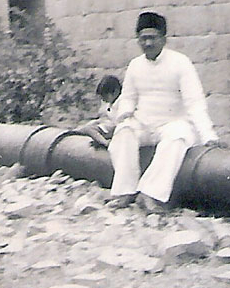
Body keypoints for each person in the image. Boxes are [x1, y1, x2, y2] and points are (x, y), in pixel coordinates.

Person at [107, 11, 220, 214]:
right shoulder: (135, 65)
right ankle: (124, 191)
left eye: (153, 38)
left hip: (172, 123)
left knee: (177, 138)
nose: (148, 43)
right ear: (138, 40)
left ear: (163, 39)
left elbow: (195, 103)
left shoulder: (181, 63)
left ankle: (150, 194)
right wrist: (124, 113)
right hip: (143, 123)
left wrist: (208, 136)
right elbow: (129, 97)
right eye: (143, 38)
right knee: (123, 132)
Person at [75, 75, 122, 148]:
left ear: (115, 91)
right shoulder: (112, 103)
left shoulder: (122, 102)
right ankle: (99, 139)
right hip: (111, 125)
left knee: (89, 129)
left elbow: (117, 120)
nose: (104, 99)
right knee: (87, 126)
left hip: (117, 128)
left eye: (105, 96)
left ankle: (105, 143)